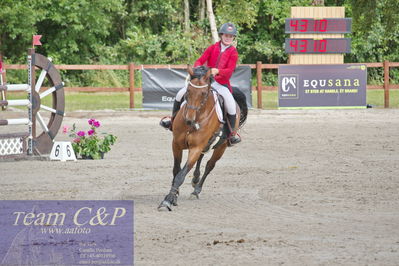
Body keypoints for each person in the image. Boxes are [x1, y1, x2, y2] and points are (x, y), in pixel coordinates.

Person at [160, 22, 241, 145]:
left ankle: (231, 134)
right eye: (226, 35)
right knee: (180, 94)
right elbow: (200, 60)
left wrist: (218, 70)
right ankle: (172, 121)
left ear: (233, 38)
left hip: (220, 83)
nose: (228, 38)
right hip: (204, 81)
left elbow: (229, 71)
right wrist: (197, 69)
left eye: (231, 36)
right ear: (221, 35)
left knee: (230, 103)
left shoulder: (233, 53)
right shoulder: (212, 48)